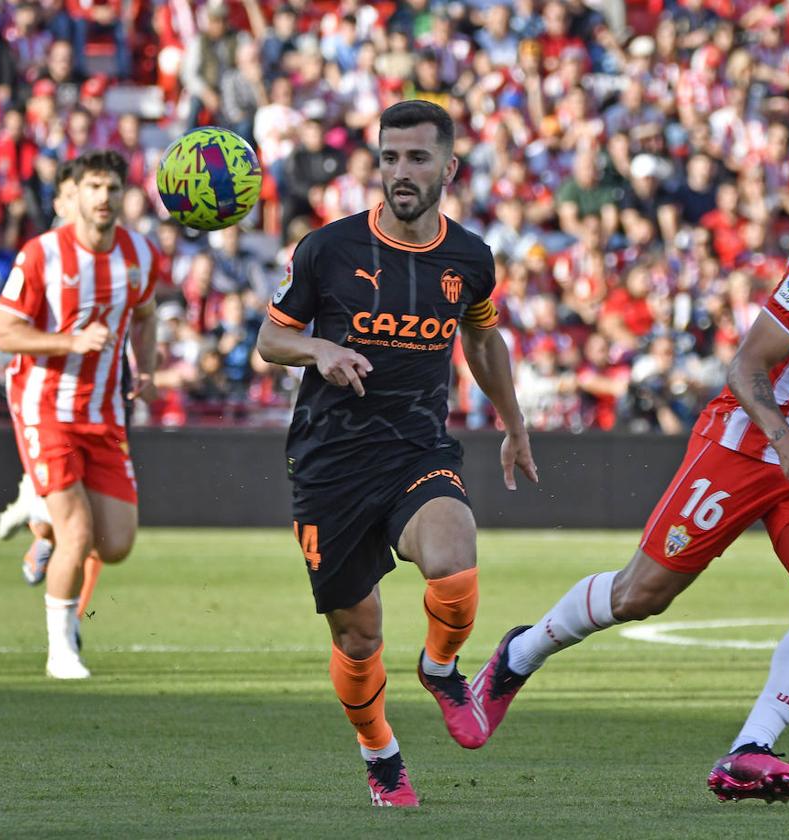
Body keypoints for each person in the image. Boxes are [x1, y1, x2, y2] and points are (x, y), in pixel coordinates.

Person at [471, 137, 789, 802]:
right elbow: (745, 365)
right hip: (743, 446)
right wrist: (785, 438)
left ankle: (750, 749)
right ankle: (518, 655)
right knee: (641, 595)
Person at [255, 100, 537, 809]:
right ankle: (381, 756)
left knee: (455, 552)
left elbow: (480, 340)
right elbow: (271, 339)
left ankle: (440, 668)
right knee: (358, 638)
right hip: (329, 463)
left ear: (449, 167)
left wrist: (514, 422)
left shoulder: (471, 258)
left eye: (416, 158)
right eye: (389, 157)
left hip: (416, 446)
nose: (400, 172)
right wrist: (316, 347)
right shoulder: (328, 249)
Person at [0, 150, 160, 679]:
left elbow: (147, 314)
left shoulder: (139, 254)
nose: (104, 197)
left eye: (112, 187)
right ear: (72, 197)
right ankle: (61, 650)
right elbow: (3, 332)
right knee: (78, 533)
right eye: (93, 187)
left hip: (104, 412)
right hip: (45, 406)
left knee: (117, 544)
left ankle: (36, 509)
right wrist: (70, 341)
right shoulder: (41, 255)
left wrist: (147, 369)